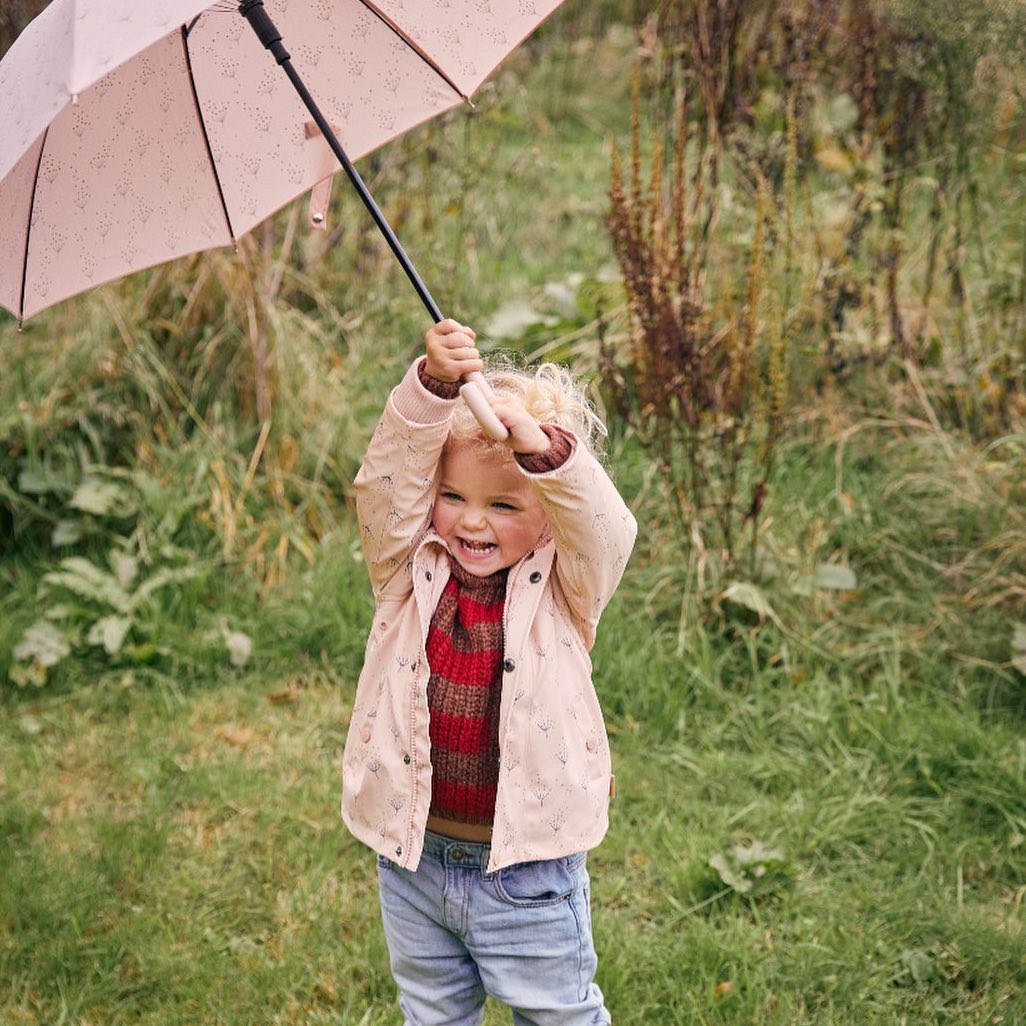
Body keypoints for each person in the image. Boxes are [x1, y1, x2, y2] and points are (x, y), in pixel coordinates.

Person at [342, 319, 637, 1025]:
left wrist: (542, 451)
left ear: (547, 517)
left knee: (558, 1015)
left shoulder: (567, 589)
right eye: (455, 497)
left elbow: (605, 529)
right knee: (432, 1015)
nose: (472, 522)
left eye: (503, 504)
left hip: (527, 872)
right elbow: (385, 489)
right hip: (414, 860)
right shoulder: (406, 570)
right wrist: (431, 389)